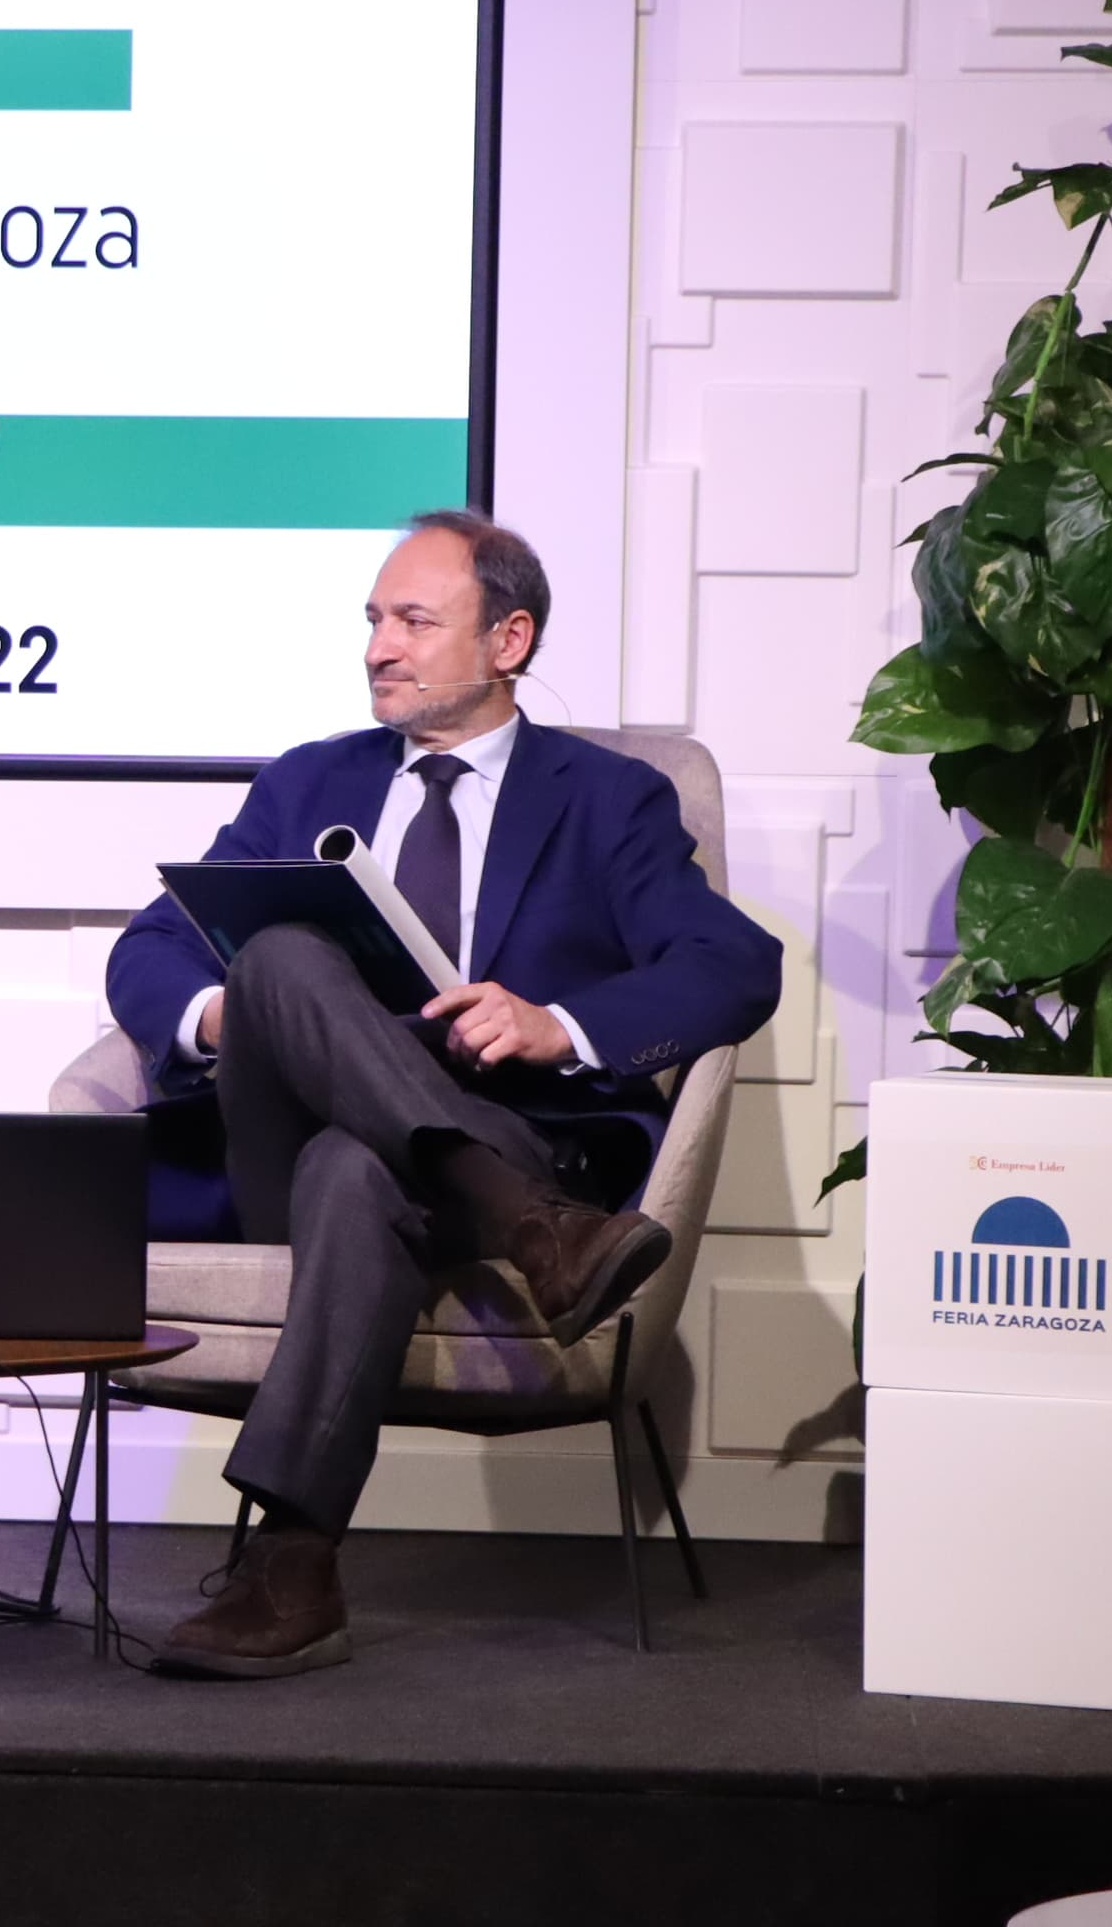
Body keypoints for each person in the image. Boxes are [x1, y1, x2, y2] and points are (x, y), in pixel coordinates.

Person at [104, 510, 782, 1680]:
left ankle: (293, 1567)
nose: (380, 646)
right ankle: (536, 1227)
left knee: (357, 1167)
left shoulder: (607, 799)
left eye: (415, 620)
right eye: (374, 619)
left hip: (484, 1129)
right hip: (289, 1145)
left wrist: (556, 1023)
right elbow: (149, 950)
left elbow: (735, 963)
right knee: (280, 959)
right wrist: (238, 1013)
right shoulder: (309, 780)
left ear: (509, 640)